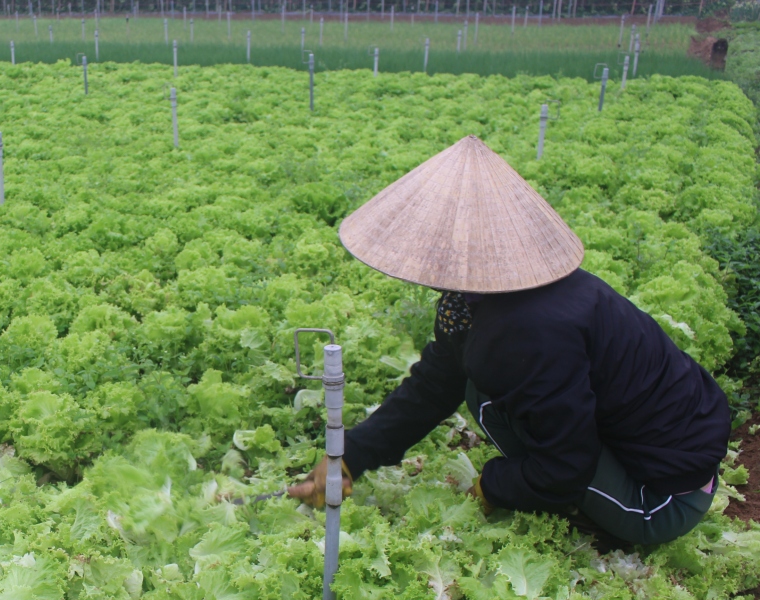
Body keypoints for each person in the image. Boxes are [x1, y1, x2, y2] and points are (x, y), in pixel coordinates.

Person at [288, 136, 729, 545]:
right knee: (474, 377)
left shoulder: (528, 329)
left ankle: (599, 517)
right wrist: (350, 455)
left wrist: (492, 486)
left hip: (663, 498)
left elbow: (565, 466)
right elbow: (436, 381)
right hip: (657, 448)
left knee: (485, 396)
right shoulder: (492, 298)